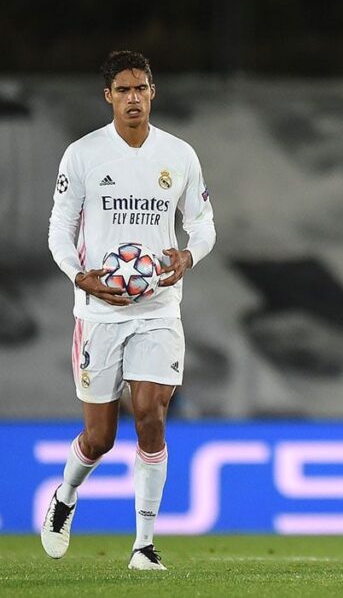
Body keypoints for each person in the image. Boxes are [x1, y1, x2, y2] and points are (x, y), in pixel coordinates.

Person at [44, 51, 216, 571]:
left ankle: (143, 544)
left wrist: (189, 254)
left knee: (151, 416)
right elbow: (57, 229)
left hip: (159, 309)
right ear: (108, 97)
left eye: (141, 88)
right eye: (123, 90)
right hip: (98, 313)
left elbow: (204, 223)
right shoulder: (82, 155)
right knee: (100, 437)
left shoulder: (180, 155)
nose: (133, 97)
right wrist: (80, 275)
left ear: (153, 92)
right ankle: (67, 495)